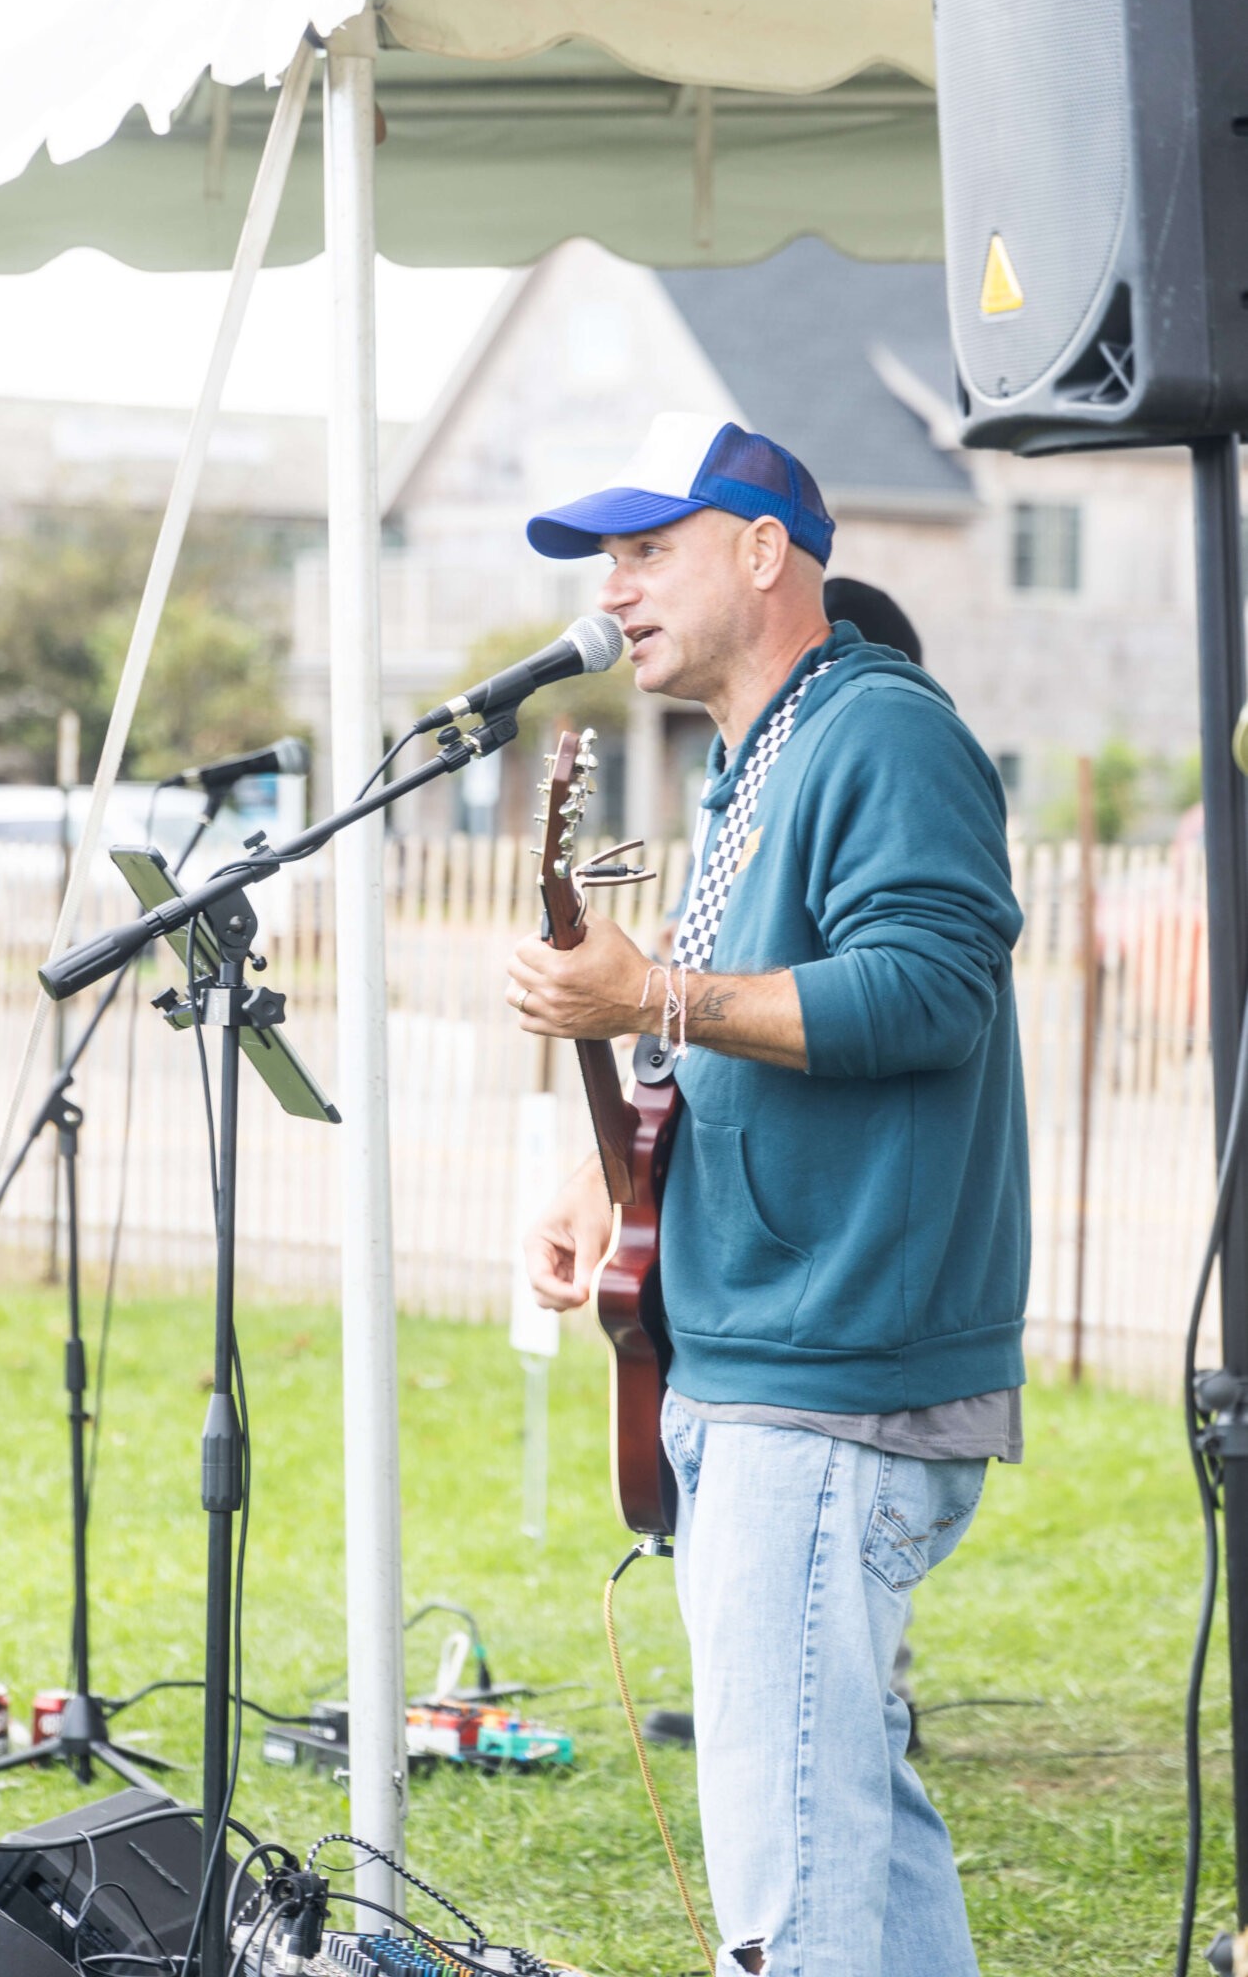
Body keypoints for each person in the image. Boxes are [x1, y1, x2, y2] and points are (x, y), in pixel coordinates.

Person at [507, 413, 1029, 1977]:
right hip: (761, 1363)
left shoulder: (881, 731)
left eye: (649, 548)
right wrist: (610, 1186)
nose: (617, 584)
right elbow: (720, 1031)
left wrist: (650, 989)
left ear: (762, 553)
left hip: (831, 1376)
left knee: (791, 1877)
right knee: (849, 1827)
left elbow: (932, 990)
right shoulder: (756, 762)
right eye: (608, 554)